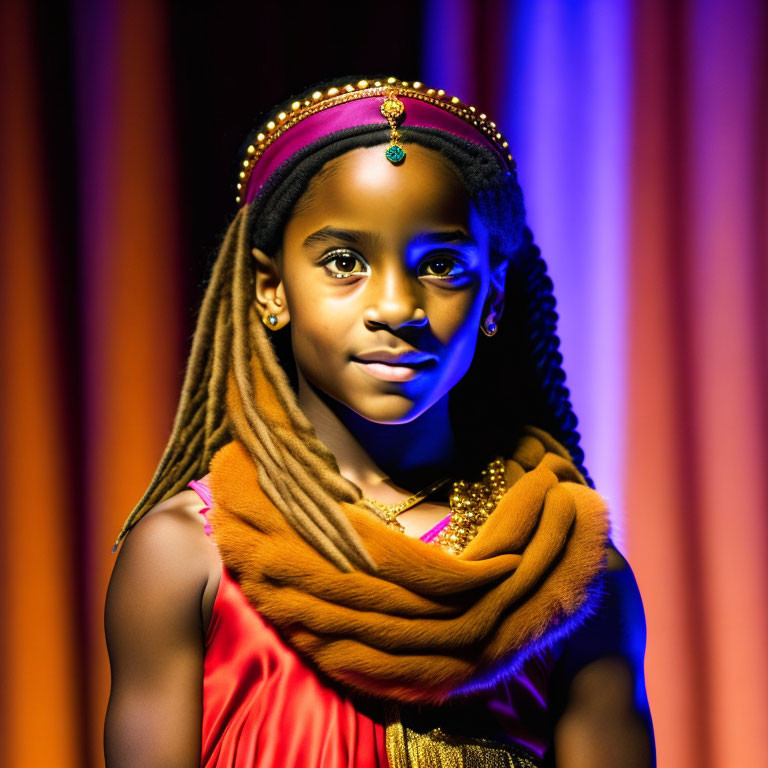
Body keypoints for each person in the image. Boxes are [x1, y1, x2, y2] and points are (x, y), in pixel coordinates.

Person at [104, 75, 656, 767]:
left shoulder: (571, 573)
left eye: (444, 264)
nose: (396, 306)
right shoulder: (186, 557)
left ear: (494, 294)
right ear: (271, 289)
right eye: (344, 262)